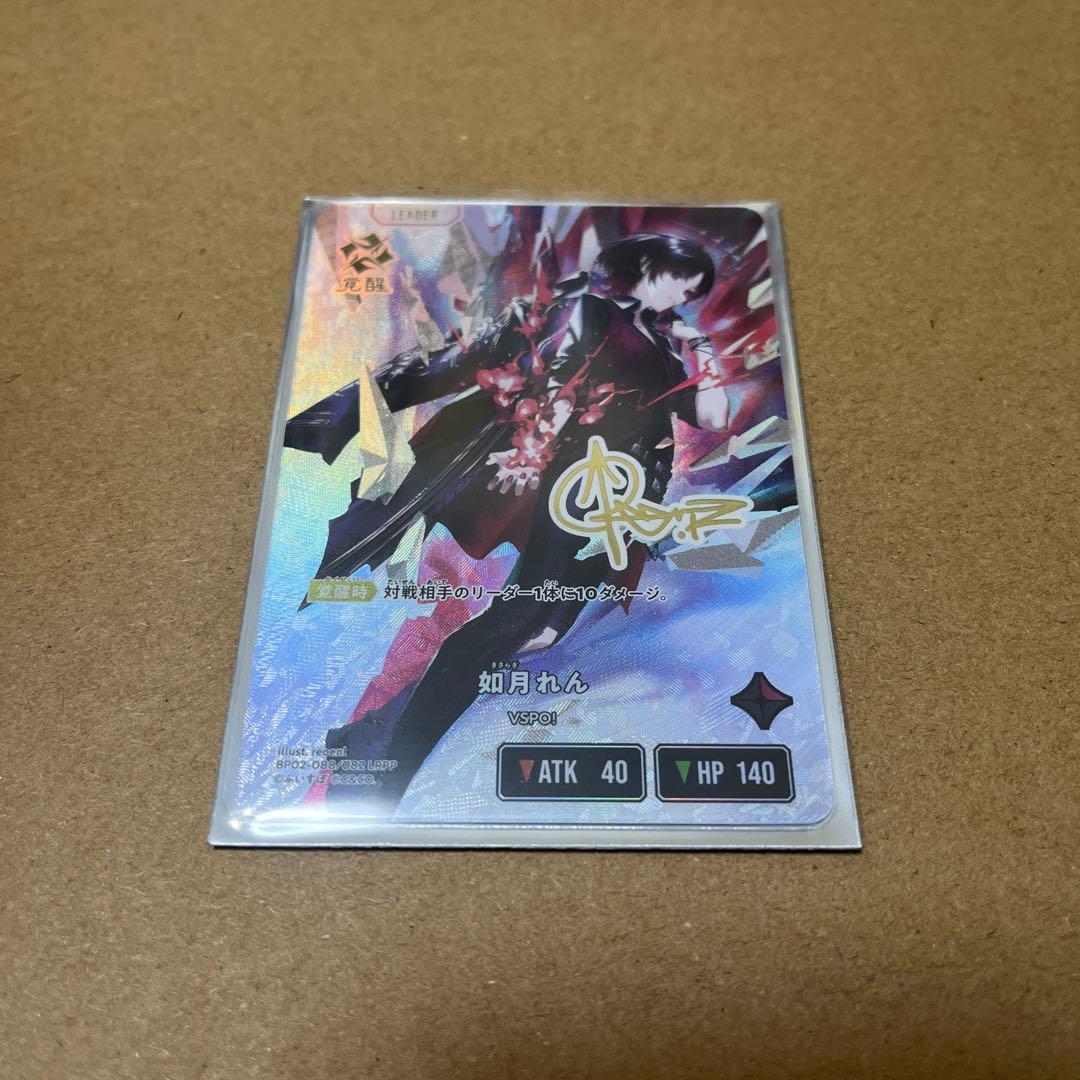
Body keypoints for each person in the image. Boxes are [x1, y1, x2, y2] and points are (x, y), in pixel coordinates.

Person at [285, 234, 731, 811]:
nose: (684, 296)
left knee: (536, 633)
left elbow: (712, 416)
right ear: (645, 267)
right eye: (679, 280)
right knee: (517, 620)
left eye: (694, 291)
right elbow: (557, 382)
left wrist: (703, 348)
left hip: (619, 505)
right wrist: (531, 452)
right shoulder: (592, 310)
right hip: (573, 482)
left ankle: (372, 736)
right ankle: (385, 772)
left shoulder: (665, 351)